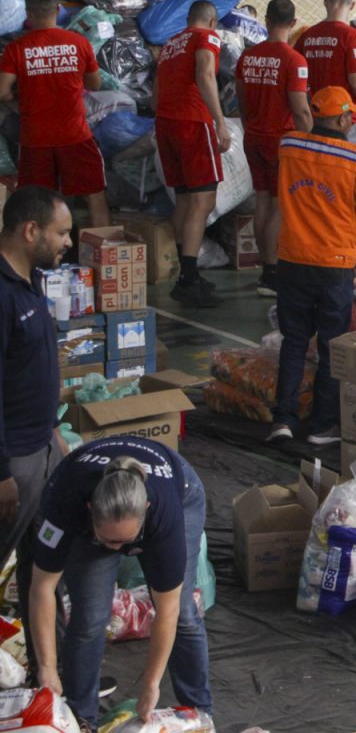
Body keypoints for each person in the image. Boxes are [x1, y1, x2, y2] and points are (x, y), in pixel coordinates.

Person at [29, 436, 213, 728]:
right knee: (89, 618)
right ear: (89, 510)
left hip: (180, 490)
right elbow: (42, 588)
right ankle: (81, 718)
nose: (116, 551)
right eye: (109, 541)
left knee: (185, 615)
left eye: (125, 542)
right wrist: (48, 668)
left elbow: (167, 612)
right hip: (84, 502)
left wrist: (152, 684)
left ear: (146, 513)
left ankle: (198, 713)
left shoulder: (164, 516)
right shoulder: (64, 503)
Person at [269, 87, 356, 445]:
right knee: (331, 345)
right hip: (335, 263)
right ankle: (321, 426)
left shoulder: (288, 146)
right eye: (350, 116)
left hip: (292, 259)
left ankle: (283, 421)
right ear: (342, 118)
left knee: (294, 340)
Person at [0, 186, 73, 680]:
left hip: (42, 449)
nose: (68, 241)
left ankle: (48, 674)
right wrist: (2, 471)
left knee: (43, 564)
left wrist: (53, 433)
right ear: (31, 231)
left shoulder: (31, 281)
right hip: (15, 463)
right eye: (61, 232)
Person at [0, 0, 110, 228]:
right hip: (75, 134)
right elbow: (95, 83)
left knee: (36, 204)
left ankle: (40, 259)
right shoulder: (79, 43)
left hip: (35, 138)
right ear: (58, 10)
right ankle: (102, 258)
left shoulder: (16, 48)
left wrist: (18, 100)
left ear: (28, 14)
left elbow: (2, 91)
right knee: (94, 195)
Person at [153, 0, 231, 309]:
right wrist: (220, 121)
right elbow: (206, 74)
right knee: (203, 201)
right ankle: (188, 278)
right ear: (212, 21)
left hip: (167, 124)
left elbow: (156, 94)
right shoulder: (207, 38)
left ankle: (182, 272)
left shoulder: (172, 43)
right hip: (192, 123)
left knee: (184, 200)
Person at [235, 0, 313, 299]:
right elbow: (301, 110)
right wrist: (312, 140)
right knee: (281, 204)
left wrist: (249, 123)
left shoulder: (248, 57)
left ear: (266, 20)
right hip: (283, 140)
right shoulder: (294, 60)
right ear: (293, 23)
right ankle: (274, 270)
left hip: (253, 135)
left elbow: (240, 99)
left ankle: (266, 270)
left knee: (263, 201)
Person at [295, 0, 356, 120]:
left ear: (325, 2)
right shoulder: (352, 36)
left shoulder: (307, 35)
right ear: (352, 5)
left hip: (316, 112)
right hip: (343, 115)